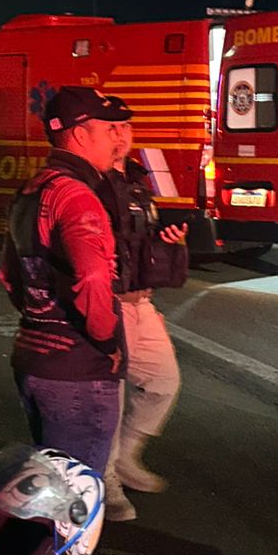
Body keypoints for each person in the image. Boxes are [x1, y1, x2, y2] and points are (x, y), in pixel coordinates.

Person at [0, 87, 129, 475]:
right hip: (78, 371)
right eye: (108, 129)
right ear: (81, 135)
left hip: (34, 361)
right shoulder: (77, 197)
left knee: (50, 483)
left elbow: (10, 276)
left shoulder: (32, 189)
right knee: (76, 494)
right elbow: (92, 275)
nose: (117, 138)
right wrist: (106, 341)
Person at [100, 118, 189, 522]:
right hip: (109, 302)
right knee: (109, 395)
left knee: (163, 381)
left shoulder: (138, 178)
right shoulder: (90, 182)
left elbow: (142, 242)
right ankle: (103, 478)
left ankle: (124, 457)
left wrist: (171, 245)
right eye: (111, 128)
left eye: (125, 127)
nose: (121, 135)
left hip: (141, 301)